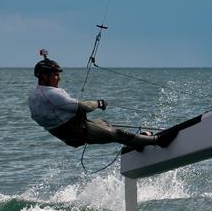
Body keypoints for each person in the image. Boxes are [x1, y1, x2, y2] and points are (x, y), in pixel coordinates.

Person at [28, 52, 159, 150]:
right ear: (44, 76)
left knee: (104, 123)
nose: (59, 78)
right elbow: (83, 107)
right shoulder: (51, 94)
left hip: (69, 136)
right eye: (56, 74)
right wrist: (99, 103)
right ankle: (156, 141)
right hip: (79, 131)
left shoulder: (34, 96)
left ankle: (137, 143)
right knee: (118, 134)